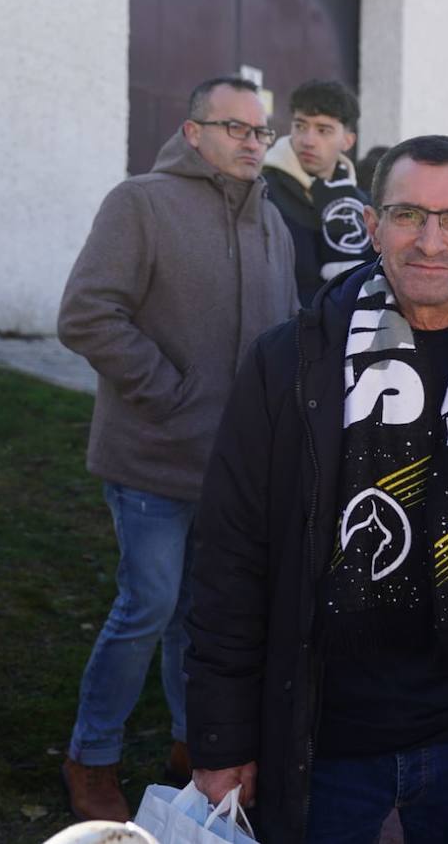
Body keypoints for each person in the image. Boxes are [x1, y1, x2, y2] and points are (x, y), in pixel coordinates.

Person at [184, 135, 448, 844]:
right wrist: (220, 739)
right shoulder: (289, 363)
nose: (431, 241)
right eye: (408, 215)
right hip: (322, 734)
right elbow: (229, 557)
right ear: (372, 225)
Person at [56, 76, 298, 822]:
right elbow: (87, 314)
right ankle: (90, 755)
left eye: (262, 132)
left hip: (232, 472)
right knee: (148, 604)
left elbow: (284, 329)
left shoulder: (273, 222)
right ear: (194, 132)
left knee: (203, 616)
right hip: (151, 459)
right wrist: (170, 390)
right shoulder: (141, 203)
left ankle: (194, 743)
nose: (254, 142)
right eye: (237, 128)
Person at [263, 79, 374, 306]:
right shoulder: (261, 192)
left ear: (347, 140)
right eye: (300, 126)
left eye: (323, 130)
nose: (308, 141)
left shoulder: (362, 205)